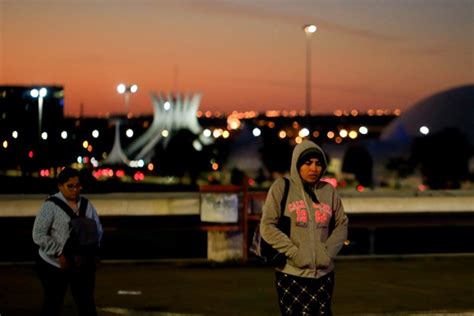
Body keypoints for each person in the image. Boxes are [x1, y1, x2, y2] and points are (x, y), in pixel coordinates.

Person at [260, 140, 349, 315]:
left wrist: (328, 253)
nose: (313, 169)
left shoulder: (328, 191)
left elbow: (341, 224)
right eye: (308, 164)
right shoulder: (281, 188)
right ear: (297, 164)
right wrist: (294, 253)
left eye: (318, 164)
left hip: (324, 275)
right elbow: (267, 226)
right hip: (291, 274)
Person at [32, 167, 103, 316]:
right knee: (53, 303)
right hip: (53, 264)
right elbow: (38, 234)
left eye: (77, 185)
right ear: (60, 186)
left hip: (81, 263)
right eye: (70, 186)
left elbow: (97, 229)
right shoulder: (50, 206)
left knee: (87, 304)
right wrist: (59, 253)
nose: (75, 190)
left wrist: (94, 252)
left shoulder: (86, 205)